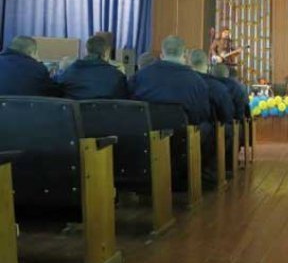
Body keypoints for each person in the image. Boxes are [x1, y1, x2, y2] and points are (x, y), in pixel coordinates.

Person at [129, 36, 214, 171]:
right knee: (207, 127)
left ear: (162, 55)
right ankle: (199, 172)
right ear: (185, 55)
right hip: (182, 141)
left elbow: (130, 105)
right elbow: (202, 114)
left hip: (145, 140)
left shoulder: (140, 76)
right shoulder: (197, 81)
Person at [189, 49, 235, 182]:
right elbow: (228, 115)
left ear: (188, 62)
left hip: (170, 136)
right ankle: (211, 170)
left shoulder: (178, 83)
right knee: (226, 129)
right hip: (204, 136)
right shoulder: (217, 87)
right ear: (207, 65)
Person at [58, 35, 128, 100]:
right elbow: (124, 99)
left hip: (75, 109)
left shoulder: (70, 71)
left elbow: (56, 85)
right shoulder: (117, 76)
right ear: (105, 52)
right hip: (106, 109)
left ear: (87, 50)